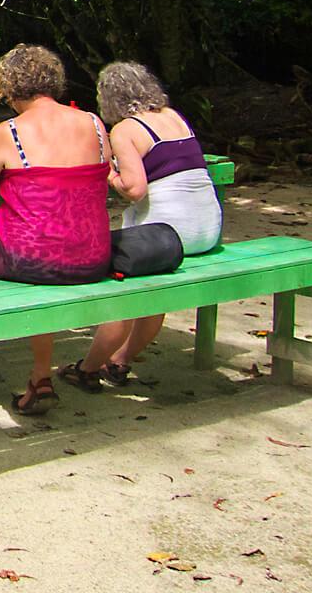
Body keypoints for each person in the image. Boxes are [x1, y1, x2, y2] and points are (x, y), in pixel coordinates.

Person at [0, 44, 112, 416]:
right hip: (92, 255)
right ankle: (40, 376)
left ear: (8, 88)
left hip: (31, 258)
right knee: (35, 282)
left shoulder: (9, 132)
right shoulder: (94, 123)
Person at [59, 62, 224, 390]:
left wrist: (108, 172)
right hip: (208, 228)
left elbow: (134, 189)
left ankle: (89, 367)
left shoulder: (125, 130)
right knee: (154, 290)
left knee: (121, 286)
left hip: (170, 234)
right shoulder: (174, 116)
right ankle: (120, 360)